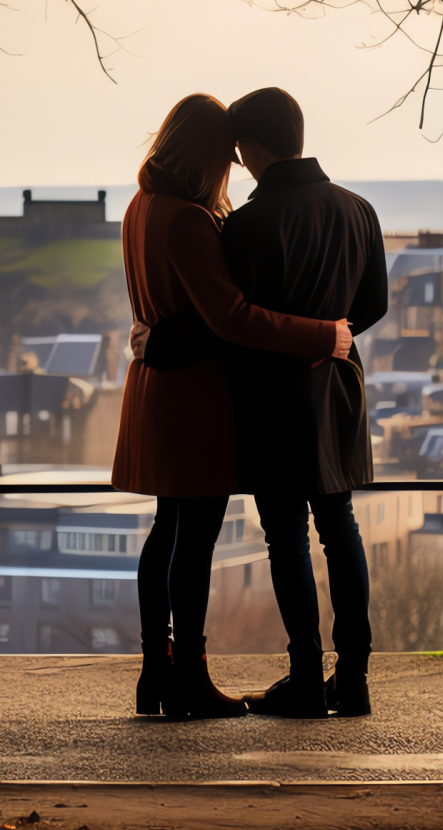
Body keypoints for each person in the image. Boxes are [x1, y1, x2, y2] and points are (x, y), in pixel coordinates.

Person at [135, 88, 387, 718]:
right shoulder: (360, 210)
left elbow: (223, 317)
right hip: (339, 392)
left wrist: (155, 337)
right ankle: (352, 676)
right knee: (342, 529)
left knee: (286, 539)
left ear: (252, 147)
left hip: (273, 399)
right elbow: (373, 305)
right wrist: (331, 335)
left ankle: (304, 677)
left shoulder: (247, 224)